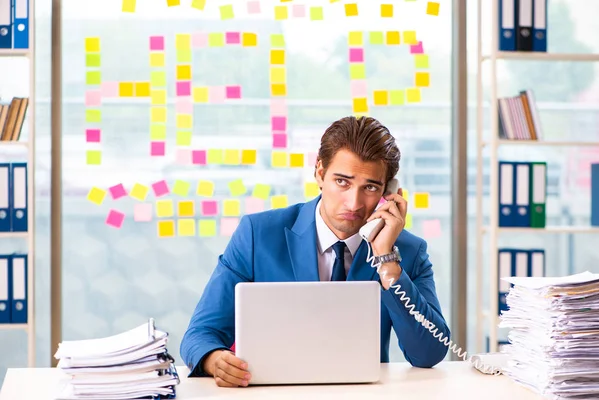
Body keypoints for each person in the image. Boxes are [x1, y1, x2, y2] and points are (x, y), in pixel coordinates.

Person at [180, 115, 450, 387]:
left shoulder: (407, 251)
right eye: (342, 182)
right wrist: (215, 360)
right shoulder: (258, 234)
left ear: (388, 191)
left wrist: (387, 262)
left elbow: (428, 353)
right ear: (320, 173)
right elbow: (200, 335)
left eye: (369, 187)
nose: (353, 203)